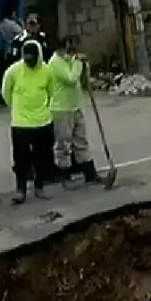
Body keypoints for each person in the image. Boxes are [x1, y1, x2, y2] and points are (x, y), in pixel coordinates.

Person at [1, 40, 55, 204]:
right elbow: (5, 92)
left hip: (42, 121)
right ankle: (21, 190)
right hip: (21, 123)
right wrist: (15, 108)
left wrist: (44, 109)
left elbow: (51, 93)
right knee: (21, 159)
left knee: (42, 157)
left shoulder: (47, 71)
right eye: (27, 59)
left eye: (32, 59)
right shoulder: (14, 71)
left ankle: (39, 186)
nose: (29, 62)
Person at [49, 36, 100, 188]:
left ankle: (90, 174)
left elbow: (81, 78)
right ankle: (65, 175)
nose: (71, 52)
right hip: (62, 108)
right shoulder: (55, 63)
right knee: (63, 143)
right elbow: (71, 78)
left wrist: (85, 65)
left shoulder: (70, 60)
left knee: (81, 140)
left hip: (76, 106)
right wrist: (78, 62)